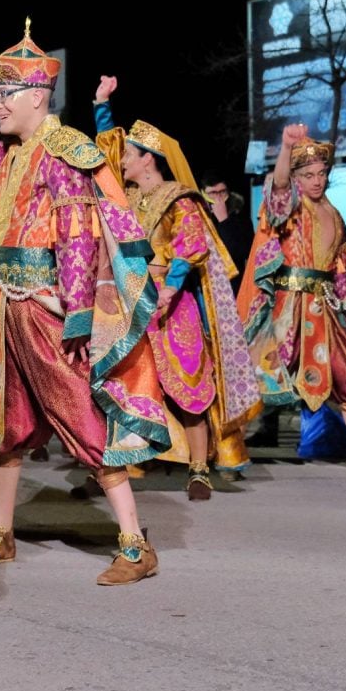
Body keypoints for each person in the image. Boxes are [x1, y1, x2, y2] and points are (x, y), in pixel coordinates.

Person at [0, 17, 171, 584]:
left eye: (4, 94)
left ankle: (135, 543)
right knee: (4, 425)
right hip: (0, 307)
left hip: (43, 308)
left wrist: (79, 310)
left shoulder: (62, 148)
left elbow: (77, 231)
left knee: (82, 414)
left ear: (36, 95)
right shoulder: (9, 154)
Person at [92, 76, 261, 500]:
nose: (124, 160)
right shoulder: (127, 195)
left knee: (189, 384)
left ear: (148, 159)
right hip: (133, 298)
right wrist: (101, 105)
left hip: (173, 302)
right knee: (126, 380)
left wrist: (169, 288)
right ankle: (128, 462)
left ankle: (199, 469)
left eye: (131, 154)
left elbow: (191, 244)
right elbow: (105, 157)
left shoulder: (178, 197)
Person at [236, 123, 346, 477]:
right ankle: (225, 446)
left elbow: (342, 265)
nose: (316, 180)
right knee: (258, 372)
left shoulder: (333, 214)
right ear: (297, 177)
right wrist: (284, 149)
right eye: (309, 174)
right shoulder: (290, 206)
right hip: (286, 306)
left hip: (324, 309)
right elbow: (278, 188)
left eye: (321, 173)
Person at [200, 172, 254, 296]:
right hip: (206, 286)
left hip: (234, 287)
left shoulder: (241, 218)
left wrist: (224, 221)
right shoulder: (197, 219)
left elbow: (242, 252)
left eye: (222, 192)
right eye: (213, 193)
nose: (218, 198)